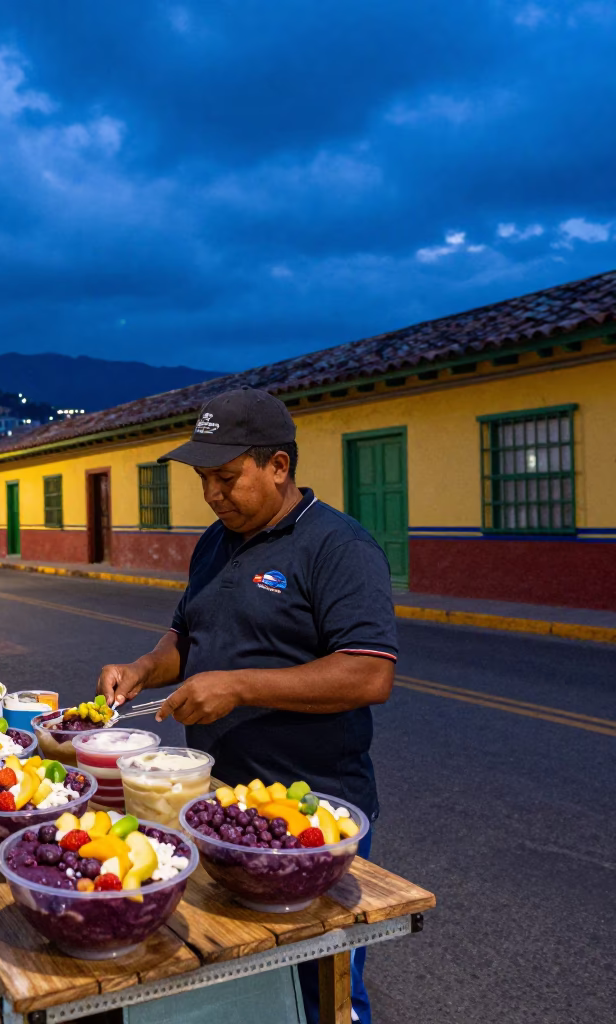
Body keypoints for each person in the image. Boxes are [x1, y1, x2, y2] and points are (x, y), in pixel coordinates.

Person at [97, 387, 397, 1024]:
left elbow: (368, 673)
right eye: (205, 478)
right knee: (241, 976)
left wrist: (238, 685)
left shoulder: (337, 546)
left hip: (311, 810)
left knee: (323, 986)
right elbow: (188, 633)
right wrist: (146, 668)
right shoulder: (214, 541)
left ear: (279, 466)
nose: (212, 493)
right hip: (221, 804)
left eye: (227, 477)